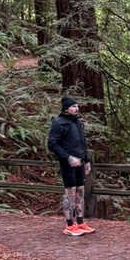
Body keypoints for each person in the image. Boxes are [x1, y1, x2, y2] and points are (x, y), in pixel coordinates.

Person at [47, 96, 95, 237]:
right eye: (73, 106)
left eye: (77, 106)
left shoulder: (78, 123)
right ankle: (69, 224)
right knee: (70, 192)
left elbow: (82, 143)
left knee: (80, 191)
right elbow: (52, 144)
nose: (77, 108)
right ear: (66, 108)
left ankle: (80, 222)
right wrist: (68, 158)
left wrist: (86, 161)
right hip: (67, 163)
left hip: (80, 162)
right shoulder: (59, 123)